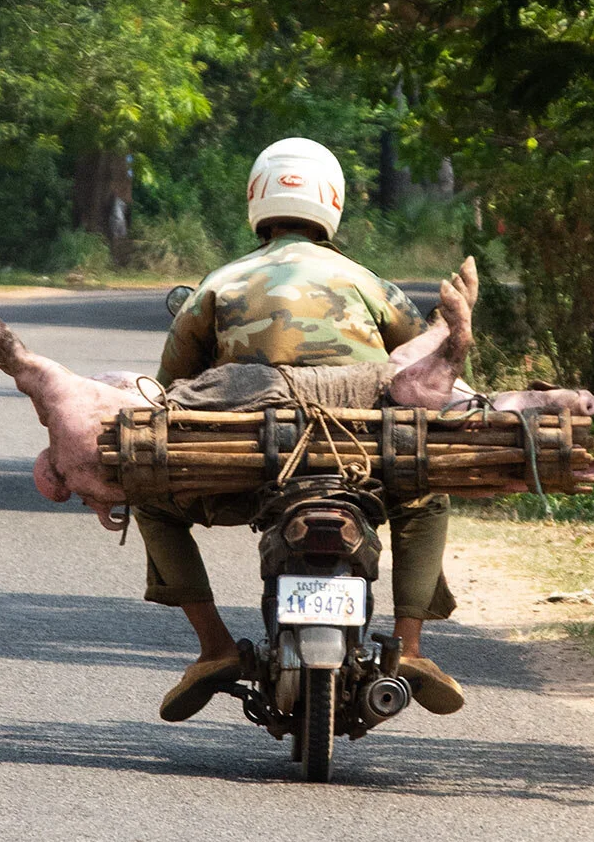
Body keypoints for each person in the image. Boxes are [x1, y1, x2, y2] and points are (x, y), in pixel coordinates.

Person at [142, 137, 467, 723]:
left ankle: (214, 648)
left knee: (151, 501)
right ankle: (413, 649)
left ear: (255, 201)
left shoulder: (220, 283)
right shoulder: (369, 284)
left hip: (253, 462)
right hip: (363, 460)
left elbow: (168, 390)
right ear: (334, 202)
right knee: (426, 496)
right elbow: (419, 363)